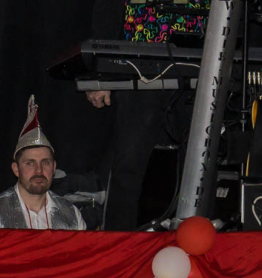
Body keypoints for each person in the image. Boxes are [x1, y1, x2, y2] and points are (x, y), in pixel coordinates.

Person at [86, 0, 208, 230]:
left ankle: (196, 238)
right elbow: (107, 11)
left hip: (198, 63)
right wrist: (101, 71)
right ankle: (119, 242)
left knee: (200, 166)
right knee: (128, 166)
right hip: (140, 64)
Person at [0, 96, 86, 230]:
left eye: (45, 163)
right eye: (30, 163)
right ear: (16, 169)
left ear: (54, 167)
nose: (39, 170)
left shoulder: (71, 215)